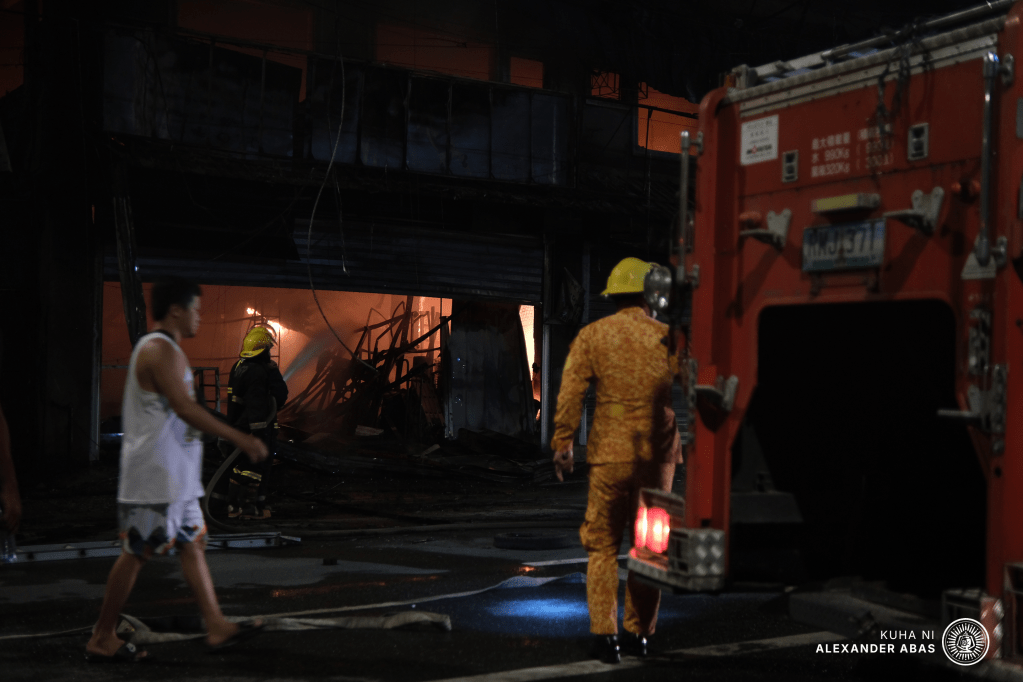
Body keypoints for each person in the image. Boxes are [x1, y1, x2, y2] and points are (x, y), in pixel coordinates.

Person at [85, 276, 269, 663]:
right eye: (196, 309)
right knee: (137, 551)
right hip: (155, 480)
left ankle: (216, 625)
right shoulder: (158, 350)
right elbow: (185, 409)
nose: (200, 317)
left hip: (177, 481)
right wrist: (242, 439)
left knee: (192, 545)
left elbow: (181, 414)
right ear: (176, 310)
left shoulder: (170, 351)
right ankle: (101, 635)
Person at [551, 257, 686, 664]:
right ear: (650, 297)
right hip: (657, 458)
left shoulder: (594, 335)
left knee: (603, 548)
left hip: (609, 455)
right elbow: (700, 384)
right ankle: (639, 635)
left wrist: (563, 444)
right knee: (649, 548)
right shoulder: (671, 338)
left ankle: (606, 637)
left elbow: (571, 391)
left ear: (613, 298)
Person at [222, 326, 288, 519]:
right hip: (257, 428)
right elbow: (262, 403)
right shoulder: (258, 372)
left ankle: (235, 508)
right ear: (264, 350)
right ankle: (250, 510)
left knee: (239, 466)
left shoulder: (238, 366)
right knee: (256, 468)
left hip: (238, 426)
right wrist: (258, 434)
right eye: (268, 349)